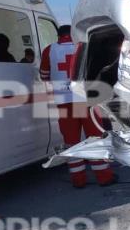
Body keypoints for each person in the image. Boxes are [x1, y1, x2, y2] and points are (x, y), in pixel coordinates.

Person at [40, 25, 116, 188]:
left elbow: (44, 75)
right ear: (73, 34)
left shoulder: (49, 50)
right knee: (95, 138)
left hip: (64, 103)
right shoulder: (84, 48)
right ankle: (104, 177)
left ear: (58, 36)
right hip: (87, 101)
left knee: (71, 142)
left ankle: (78, 180)